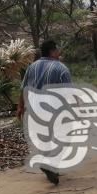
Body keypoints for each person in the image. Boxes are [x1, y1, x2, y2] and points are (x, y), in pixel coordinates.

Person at [17, 39, 72, 185]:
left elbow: (23, 88)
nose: (59, 52)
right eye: (57, 49)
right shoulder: (61, 69)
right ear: (53, 51)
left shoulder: (31, 67)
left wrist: (20, 106)